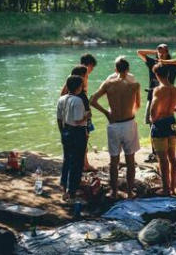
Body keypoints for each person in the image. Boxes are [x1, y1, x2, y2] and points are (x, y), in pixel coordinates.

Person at [90, 56, 141, 199]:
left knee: (114, 161)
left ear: (115, 69)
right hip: (129, 123)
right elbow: (138, 106)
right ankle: (130, 192)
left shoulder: (108, 84)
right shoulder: (135, 85)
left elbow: (92, 101)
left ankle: (114, 192)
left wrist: (107, 113)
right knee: (130, 160)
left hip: (114, 125)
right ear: (128, 69)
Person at [150, 63, 176, 196]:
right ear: (168, 74)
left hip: (161, 123)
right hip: (172, 122)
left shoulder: (158, 90)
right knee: (172, 157)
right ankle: (173, 187)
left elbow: (153, 111)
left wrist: (154, 119)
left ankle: (165, 189)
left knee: (162, 159)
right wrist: (170, 109)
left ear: (156, 75)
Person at [61, 54, 98, 172]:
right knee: (82, 138)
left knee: (85, 138)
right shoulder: (74, 77)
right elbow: (63, 94)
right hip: (78, 112)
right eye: (91, 68)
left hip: (82, 110)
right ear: (89, 65)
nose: (91, 71)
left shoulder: (82, 76)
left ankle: (85, 164)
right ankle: (82, 166)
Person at [57, 75, 91, 201]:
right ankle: (71, 192)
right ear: (78, 87)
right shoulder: (77, 101)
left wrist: (62, 132)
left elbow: (59, 119)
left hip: (66, 130)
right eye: (82, 85)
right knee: (76, 162)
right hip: (77, 132)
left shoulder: (62, 99)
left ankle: (64, 188)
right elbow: (78, 120)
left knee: (67, 160)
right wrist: (87, 116)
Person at [137, 44, 176, 126]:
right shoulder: (153, 63)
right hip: (152, 97)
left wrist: (164, 61)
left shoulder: (172, 65)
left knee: (167, 121)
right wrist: (156, 52)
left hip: (167, 98)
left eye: (163, 52)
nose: (161, 53)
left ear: (167, 53)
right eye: (160, 51)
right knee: (151, 123)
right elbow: (139, 52)